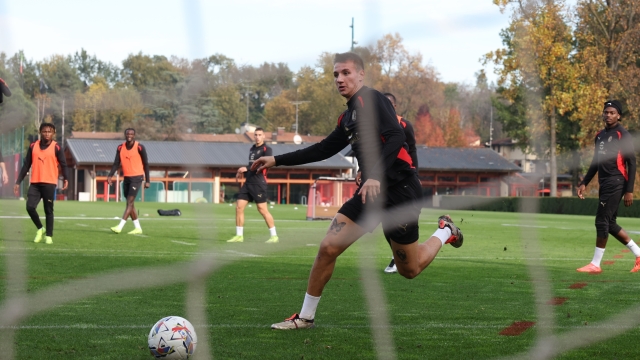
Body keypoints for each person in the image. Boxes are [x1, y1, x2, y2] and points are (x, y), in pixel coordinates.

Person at [251, 52, 463, 330]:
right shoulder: (347, 116)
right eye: (336, 74)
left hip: (400, 193)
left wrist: (374, 174)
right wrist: (277, 160)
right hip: (369, 195)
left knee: (409, 270)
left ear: (361, 75)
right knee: (328, 247)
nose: (340, 79)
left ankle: (445, 230)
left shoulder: (372, 99)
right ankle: (305, 317)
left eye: (346, 73)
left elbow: (396, 136)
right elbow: (323, 148)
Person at [577, 100, 640, 273]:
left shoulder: (623, 134)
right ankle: (639, 254)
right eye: (606, 112)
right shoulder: (599, 135)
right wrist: (584, 183)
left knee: (601, 221)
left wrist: (629, 190)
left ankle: (595, 264)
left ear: (618, 115)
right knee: (610, 223)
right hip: (605, 183)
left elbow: (632, 163)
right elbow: (595, 163)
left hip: (617, 181)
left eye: (612, 112)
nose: (609, 115)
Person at [13, 123, 68, 244]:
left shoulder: (56, 147)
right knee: (30, 207)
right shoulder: (33, 146)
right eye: (44, 131)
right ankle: (40, 228)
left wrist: (66, 178)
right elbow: (26, 165)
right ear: (40, 132)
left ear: (53, 133)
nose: (47, 134)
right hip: (35, 183)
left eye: (49, 131)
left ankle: (49, 235)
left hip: (49, 183)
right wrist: (18, 182)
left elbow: (63, 164)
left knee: (48, 210)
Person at [227, 127, 279, 244]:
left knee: (262, 210)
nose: (257, 137)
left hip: (258, 183)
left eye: (260, 135)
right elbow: (251, 165)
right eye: (255, 135)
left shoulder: (267, 149)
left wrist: (247, 168)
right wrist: (241, 171)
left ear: (263, 136)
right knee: (239, 207)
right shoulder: (251, 149)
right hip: (248, 182)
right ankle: (239, 236)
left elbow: (265, 164)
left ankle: (274, 236)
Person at [107, 128, 150, 235]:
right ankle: (138, 228)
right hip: (127, 178)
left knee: (129, 202)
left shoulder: (140, 147)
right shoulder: (120, 147)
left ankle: (120, 226)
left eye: (131, 134)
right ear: (125, 135)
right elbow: (116, 163)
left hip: (137, 178)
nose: (129, 135)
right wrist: (110, 175)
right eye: (127, 134)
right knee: (130, 204)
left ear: (134, 135)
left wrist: (148, 180)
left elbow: (146, 164)